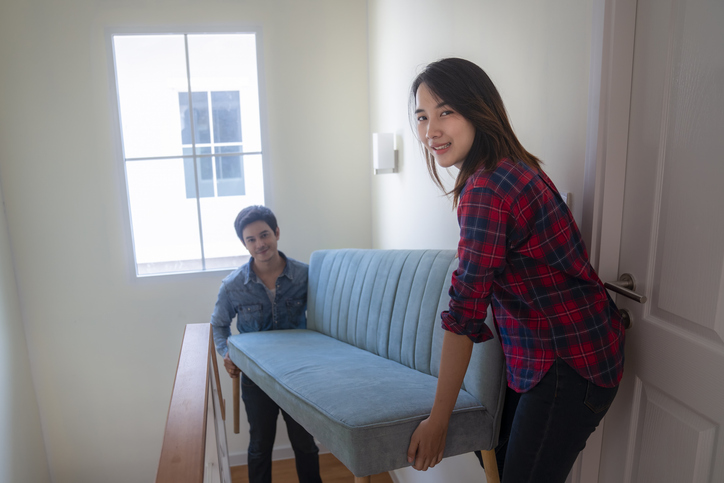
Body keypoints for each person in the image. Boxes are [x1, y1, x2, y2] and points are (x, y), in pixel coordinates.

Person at [405, 58, 625, 482]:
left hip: (567, 364)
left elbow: (465, 311)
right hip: (561, 355)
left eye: (445, 111)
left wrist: (438, 421)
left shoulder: (488, 188)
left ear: (478, 108)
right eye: (421, 116)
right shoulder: (508, 166)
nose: (430, 131)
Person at [210, 205, 322, 483]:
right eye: (251, 239)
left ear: (277, 233)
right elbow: (218, 325)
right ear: (244, 244)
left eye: (264, 235)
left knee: (305, 445)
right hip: (254, 378)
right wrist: (227, 353)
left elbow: (325, 321)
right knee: (259, 447)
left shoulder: (307, 276)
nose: (260, 244)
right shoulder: (232, 285)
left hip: (299, 376)